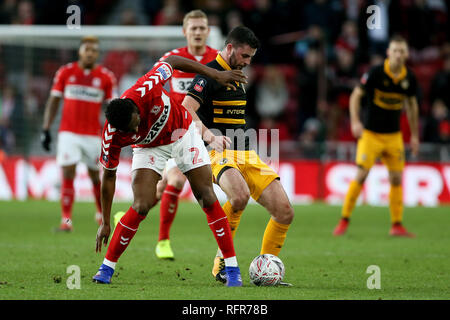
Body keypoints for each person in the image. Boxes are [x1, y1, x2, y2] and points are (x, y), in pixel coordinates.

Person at [92, 55, 247, 287]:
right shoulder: (112, 136)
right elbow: (109, 176)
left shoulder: (147, 85)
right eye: (131, 129)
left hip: (182, 132)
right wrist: (105, 221)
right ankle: (106, 268)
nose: (136, 128)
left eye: (136, 122)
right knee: (141, 204)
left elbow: (173, 61)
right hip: (148, 148)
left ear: (136, 108)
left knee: (206, 196)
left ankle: (233, 269)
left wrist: (214, 74)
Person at [182, 26, 294, 283]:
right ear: (230, 48)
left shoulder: (238, 75)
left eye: (251, 58)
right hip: (215, 152)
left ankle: (267, 270)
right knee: (240, 196)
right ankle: (222, 262)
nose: (247, 62)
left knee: (285, 211)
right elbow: (187, 107)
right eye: (244, 56)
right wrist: (209, 136)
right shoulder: (208, 74)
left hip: (245, 151)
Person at [333, 35, 420, 237]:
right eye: (395, 51)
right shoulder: (376, 73)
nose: (398, 55)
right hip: (371, 134)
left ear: (406, 55)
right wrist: (355, 121)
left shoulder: (409, 78)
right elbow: (356, 95)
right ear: (389, 53)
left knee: (397, 178)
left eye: (402, 51)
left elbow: (412, 106)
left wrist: (414, 136)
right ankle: (344, 219)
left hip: (393, 136)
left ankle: (397, 224)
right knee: (362, 174)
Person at [153, 9, 219, 260]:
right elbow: (152, 84)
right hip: (175, 130)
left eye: (202, 28)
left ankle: (129, 214)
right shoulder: (171, 58)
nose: (198, 32)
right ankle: (163, 241)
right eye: (194, 28)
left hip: (205, 131)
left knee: (155, 194)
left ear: (208, 31)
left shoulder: (218, 60)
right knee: (178, 181)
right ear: (185, 32)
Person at [41, 35, 117, 231]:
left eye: (94, 51)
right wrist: (46, 128)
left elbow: (111, 107)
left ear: (97, 53)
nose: (90, 53)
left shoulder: (106, 77)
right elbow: (54, 101)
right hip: (69, 133)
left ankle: (102, 215)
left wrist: (115, 130)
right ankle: (66, 221)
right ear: (80, 51)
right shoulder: (66, 72)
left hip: (93, 135)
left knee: (94, 176)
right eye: (87, 50)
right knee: (68, 172)